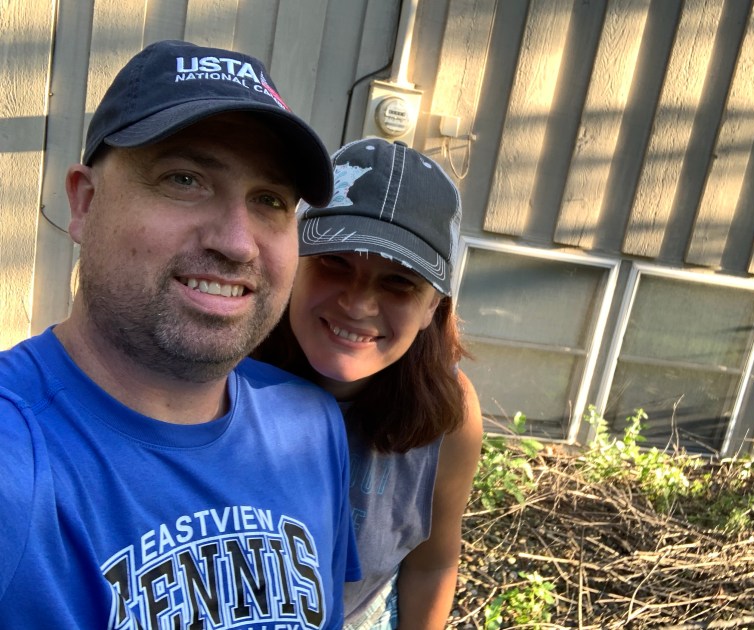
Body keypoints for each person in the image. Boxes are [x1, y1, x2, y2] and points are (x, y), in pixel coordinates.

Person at [0, 40, 361, 628]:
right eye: (185, 179)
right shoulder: (17, 460)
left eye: (270, 199)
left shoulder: (312, 428)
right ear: (85, 203)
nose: (237, 243)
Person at [254, 138, 484, 629]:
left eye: (399, 282)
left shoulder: (449, 413)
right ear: (294, 260)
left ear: (433, 306)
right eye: (335, 262)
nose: (357, 305)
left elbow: (432, 562)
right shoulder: (221, 371)